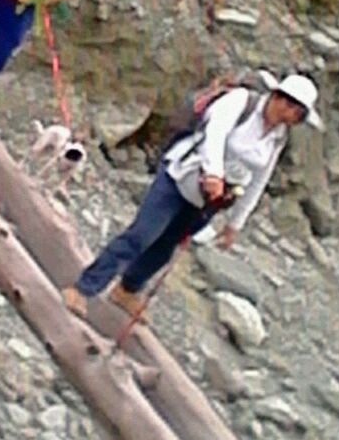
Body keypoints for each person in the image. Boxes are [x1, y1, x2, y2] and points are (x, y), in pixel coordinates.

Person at [62, 72, 322, 318]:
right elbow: (214, 134)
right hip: (180, 176)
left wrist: (235, 222)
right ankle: (84, 288)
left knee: (165, 247)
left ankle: (127, 289)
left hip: (209, 200)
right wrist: (214, 173)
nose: (293, 119)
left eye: (299, 116)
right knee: (142, 235)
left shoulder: (278, 136)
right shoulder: (240, 102)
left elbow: (258, 179)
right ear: (281, 99)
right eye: (295, 111)